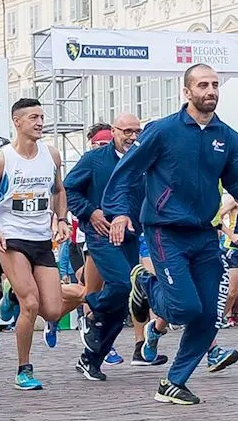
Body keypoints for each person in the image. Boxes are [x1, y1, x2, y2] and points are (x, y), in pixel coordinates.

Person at [104, 64, 238, 407]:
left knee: (209, 316)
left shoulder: (228, 137)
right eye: (203, 85)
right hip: (165, 230)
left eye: (215, 85)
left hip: (204, 233)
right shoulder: (162, 131)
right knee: (184, 308)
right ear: (187, 92)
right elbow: (126, 173)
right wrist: (118, 212)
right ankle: (145, 284)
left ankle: (173, 382)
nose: (211, 91)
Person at [0, 99, 84, 391]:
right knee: (31, 304)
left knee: (50, 310)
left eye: (42, 117)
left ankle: (10, 299)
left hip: (41, 239)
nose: (39, 122)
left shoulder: (51, 154)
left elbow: (59, 190)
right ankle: (24, 368)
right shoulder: (2, 159)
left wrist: (61, 219)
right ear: (17, 122)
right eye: (33, 117)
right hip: (12, 239)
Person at [65, 113, 167, 379]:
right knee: (123, 285)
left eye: (137, 131)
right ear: (114, 131)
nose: (132, 136)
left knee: (124, 301)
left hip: (131, 236)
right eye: (127, 131)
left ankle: (91, 358)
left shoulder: (144, 160)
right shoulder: (94, 160)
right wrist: (91, 212)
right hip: (101, 233)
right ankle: (90, 307)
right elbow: (70, 190)